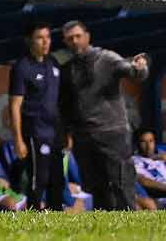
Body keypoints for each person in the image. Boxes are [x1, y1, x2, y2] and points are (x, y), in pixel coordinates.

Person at [59, 20, 149, 210]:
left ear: (87, 36)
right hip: (84, 138)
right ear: (65, 42)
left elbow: (133, 72)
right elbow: (65, 107)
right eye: (69, 39)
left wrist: (140, 68)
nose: (74, 41)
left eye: (78, 36)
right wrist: (66, 133)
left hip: (112, 134)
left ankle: (130, 225)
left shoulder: (106, 58)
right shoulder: (67, 70)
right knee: (96, 188)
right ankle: (105, 225)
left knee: (121, 185)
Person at [8, 22, 64, 210]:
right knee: (39, 178)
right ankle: (33, 215)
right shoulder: (22, 67)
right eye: (40, 38)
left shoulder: (54, 62)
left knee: (57, 178)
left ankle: (56, 215)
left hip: (55, 132)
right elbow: (15, 106)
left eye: (48, 37)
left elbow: (59, 100)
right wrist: (18, 139)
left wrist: (66, 132)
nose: (45, 42)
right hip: (35, 131)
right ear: (29, 41)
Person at [133, 128, 166, 209]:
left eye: (151, 141)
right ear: (137, 144)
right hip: (159, 197)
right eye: (143, 142)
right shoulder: (134, 160)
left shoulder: (161, 155)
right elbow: (142, 180)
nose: (148, 146)